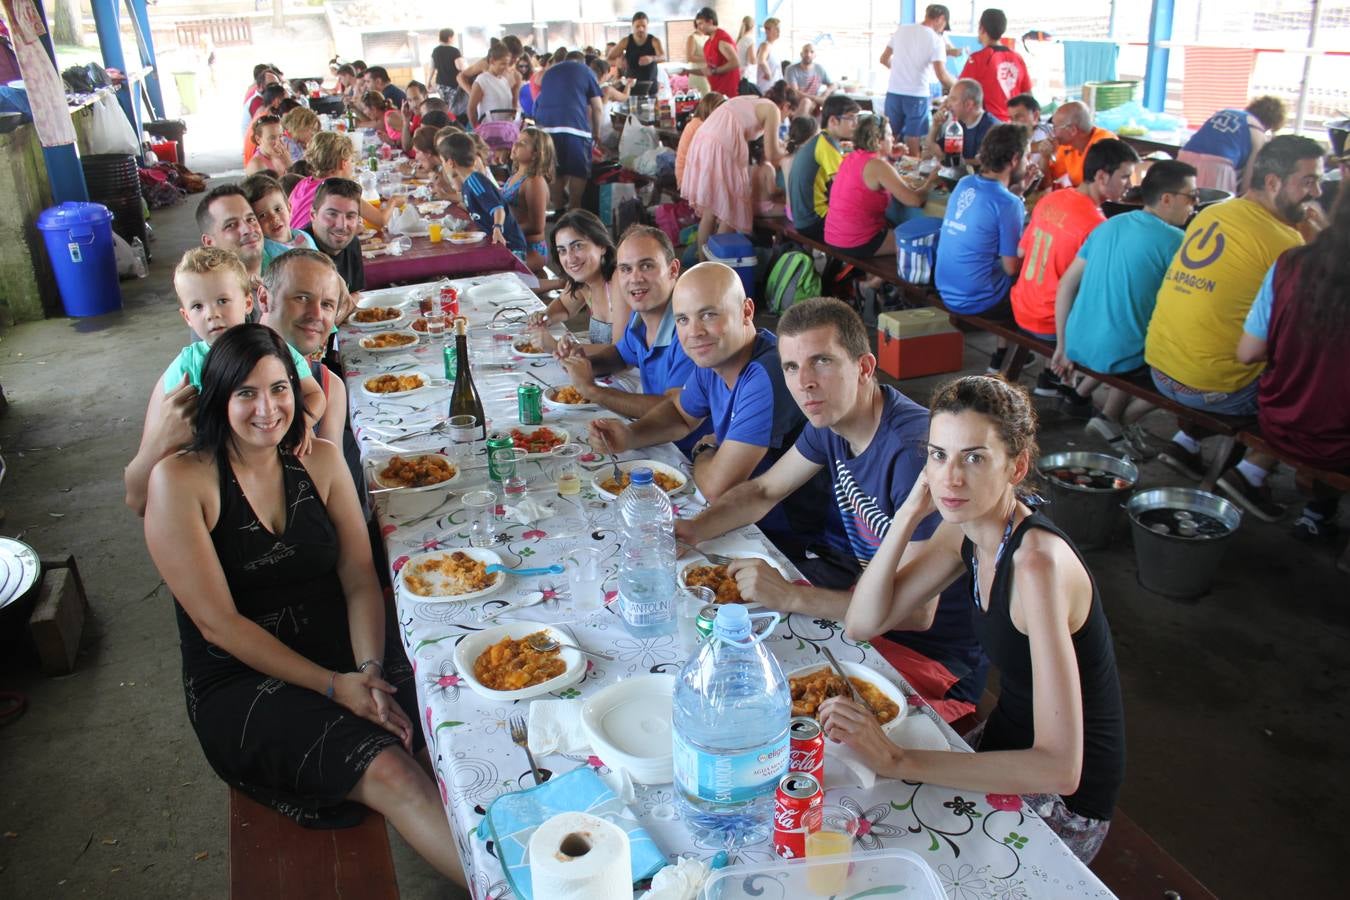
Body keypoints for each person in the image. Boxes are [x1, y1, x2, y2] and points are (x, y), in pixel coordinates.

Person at [142, 324, 464, 884]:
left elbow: (361, 580)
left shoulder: (319, 461)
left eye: (279, 388)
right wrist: (337, 687)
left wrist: (367, 672)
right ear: (218, 398)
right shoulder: (181, 481)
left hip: (342, 641)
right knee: (391, 770)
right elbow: (219, 625)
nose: (267, 409)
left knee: (454, 717)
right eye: (246, 393)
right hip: (240, 676)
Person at [832, 375, 1124, 864]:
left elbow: (1061, 767)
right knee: (855, 817)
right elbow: (863, 622)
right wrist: (908, 513)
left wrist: (897, 758)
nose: (952, 477)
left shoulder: (1036, 566)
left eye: (974, 457)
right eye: (938, 454)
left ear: (1017, 466)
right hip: (1005, 743)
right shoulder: (962, 530)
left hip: (1066, 798)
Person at [675, 298, 987, 721]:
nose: (804, 383)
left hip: (928, 658)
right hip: (862, 616)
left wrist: (789, 595)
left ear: (864, 367)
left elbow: (915, 614)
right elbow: (765, 490)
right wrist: (692, 530)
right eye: (790, 367)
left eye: (821, 362)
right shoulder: (832, 424)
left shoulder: (913, 452)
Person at [1145, 135, 1324, 520]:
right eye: (1308, 181)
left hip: (1160, 368)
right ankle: (1252, 472)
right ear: (1274, 183)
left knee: (1229, 337)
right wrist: (1317, 239)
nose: (1316, 192)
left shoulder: (1211, 212)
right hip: (1212, 389)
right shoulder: (1284, 242)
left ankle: (1186, 442)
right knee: (1311, 380)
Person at [588, 263, 828, 551]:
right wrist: (629, 435)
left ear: (746, 311)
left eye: (709, 314)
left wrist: (703, 451)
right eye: (683, 320)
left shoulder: (767, 373)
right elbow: (679, 414)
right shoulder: (713, 360)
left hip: (793, 539)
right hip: (740, 517)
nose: (694, 332)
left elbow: (716, 486)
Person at [124, 248, 325, 516]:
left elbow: (315, 395)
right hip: (214, 480)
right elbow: (163, 435)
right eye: (198, 306)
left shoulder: (274, 349)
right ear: (186, 316)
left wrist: (303, 424)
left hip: (281, 469)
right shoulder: (187, 367)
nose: (211, 314)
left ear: (248, 302)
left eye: (222, 300)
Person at [1051, 160, 1198, 460]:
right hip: (1120, 355)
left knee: (1133, 331)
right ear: (1167, 198)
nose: (1196, 206)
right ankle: (1119, 420)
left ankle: (1104, 414)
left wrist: (1062, 345)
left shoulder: (1110, 224)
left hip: (1078, 344)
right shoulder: (1177, 242)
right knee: (1188, 370)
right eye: (1192, 197)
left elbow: (1066, 284)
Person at [1237, 192, 1350, 542]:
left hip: (1280, 420)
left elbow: (1248, 352)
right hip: (1338, 443)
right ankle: (1318, 510)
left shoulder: (1289, 263)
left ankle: (1309, 504)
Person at [554, 226, 709, 454]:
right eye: (626, 269)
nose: (635, 278)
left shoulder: (690, 331)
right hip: (653, 439)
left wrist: (592, 390)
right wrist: (584, 362)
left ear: (673, 270)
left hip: (687, 453)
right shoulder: (640, 315)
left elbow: (675, 410)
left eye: (646, 266)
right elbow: (620, 355)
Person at [1010, 138, 1138, 400]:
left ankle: (1051, 378)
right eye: (1125, 177)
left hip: (1022, 307)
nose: (1130, 185)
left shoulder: (1052, 198)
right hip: (1050, 323)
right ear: (1102, 176)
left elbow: (1022, 251)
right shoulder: (1098, 225)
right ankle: (1079, 395)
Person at [934, 123, 1036, 371]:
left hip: (946, 288)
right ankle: (1024, 368)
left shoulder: (965, 183)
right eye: (1027, 154)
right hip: (976, 299)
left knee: (998, 268)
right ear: (1014, 159)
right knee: (1032, 284)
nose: (1028, 160)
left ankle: (1000, 354)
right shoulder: (1008, 204)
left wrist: (1018, 194)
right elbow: (1011, 268)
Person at [825, 113, 936, 257]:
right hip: (855, 241)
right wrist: (931, 182)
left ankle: (874, 280)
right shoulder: (877, 165)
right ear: (878, 141)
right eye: (889, 135)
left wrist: (888, 155)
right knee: (925, 241)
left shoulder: (852, 156)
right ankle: (879, 279)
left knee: (892, 225)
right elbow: (915, 200)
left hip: (833, 235)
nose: (893, 139)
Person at [683, 95, 784, 248]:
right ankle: (719, 264)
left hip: (704, 139)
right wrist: (792, 155)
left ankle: (704, 264)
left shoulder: (751, 101)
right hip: (721, 144)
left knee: (710, 213)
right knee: (730, 212)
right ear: (786, 106)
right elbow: (772, 154)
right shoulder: (773, 110)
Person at [526, 210, 625, 347]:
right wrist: (545, 317)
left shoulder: (619, 281)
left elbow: (620, 355)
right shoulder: (585, 282)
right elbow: (564, 306)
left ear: (602, 246)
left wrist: (556, 347)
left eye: (577, 246)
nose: (570, 259)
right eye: (562, 250)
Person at [881, 4, 956, 156]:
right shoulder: (936, 40)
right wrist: (959, 86)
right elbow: (941, 75)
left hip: (894, 92)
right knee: (913, 138)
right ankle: (912, 175)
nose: (942, 30)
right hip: (917, 95)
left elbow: (883, 59)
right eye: (944, 26)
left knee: (890, 135)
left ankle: (886, 168)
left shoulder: (902, 30)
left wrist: (899, 71)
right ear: (941, 19)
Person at [532, 52, 604, 210]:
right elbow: (597, 107)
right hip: (575, 126)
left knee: (556, 169)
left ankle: (558, 208)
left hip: (546, 127)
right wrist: (597, 132)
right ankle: (574, 206)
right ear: (582, 62)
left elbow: (539, 100)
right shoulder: (586, 71)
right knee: (578, 170)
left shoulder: (549, 72)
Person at [441, 132, 528, 260]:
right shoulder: (469, 182)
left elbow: (498, 208)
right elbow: (468, 199)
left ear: (450, 163)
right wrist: (445, 196)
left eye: (442, 161)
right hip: (497, 242)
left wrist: (497, 228)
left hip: (509, 245)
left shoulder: (475, 181)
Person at [786, 94, 860, 241]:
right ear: (833, 120)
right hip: (815, 221)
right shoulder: (827, 145)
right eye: (851, 118)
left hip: (804, 218)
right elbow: (844, 188)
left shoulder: (822, 140)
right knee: (869, 226)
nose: (856, 124)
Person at [1179, 96, 1287, 196]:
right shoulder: (1257, 131)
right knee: (1213, 208)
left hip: (1185, 157)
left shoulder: (1225, 112)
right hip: (1217, 167)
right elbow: (1249, 180)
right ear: (1272, 124)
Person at [288, 132, 391, 231]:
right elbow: (381, 220)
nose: (352, 165)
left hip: (291, 244)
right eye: (351, 161)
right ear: (343, 163)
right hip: (310, 247)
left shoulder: (302, 183)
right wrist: (394, 202)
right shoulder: (339, 189)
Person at [959, 9, 1032, 123]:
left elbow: (960, 90)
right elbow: (1028, 95)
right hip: (1014, 126)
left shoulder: (977, 59)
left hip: (988, 126)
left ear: (981, 28)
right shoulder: (1018, 58)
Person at [502, 127, 556, 273]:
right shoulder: (514, 176)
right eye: (517, 141)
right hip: (512, 243)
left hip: (531, 250)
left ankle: (558, 284)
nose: (515, 145)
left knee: (493, 271)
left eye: (523, 143)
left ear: (536, 154)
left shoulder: (534, 181)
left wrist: (503, 229)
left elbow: (537, 226)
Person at [304, 177, 367, 296]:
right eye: (332, 214)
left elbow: (354, 294)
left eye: (350, 216)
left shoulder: (352, 242)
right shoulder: (300, 249)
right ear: (313, 215)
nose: (342, 225)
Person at [241, 173, 318, 270]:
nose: (273, 218)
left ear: (289, 208)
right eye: (262, 215)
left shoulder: (304, 236)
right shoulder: (263, 252)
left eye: (277, 209)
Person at [197, 185, 265, 286]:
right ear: (209, 242)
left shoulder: (284, 267)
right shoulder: (210, 297)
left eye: (251, 219)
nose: (249, 229)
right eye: (231, 225)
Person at [923, 79, 998, 166]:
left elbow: (985, 163)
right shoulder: (959, 125)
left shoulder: (992, 129)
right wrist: (935, 125)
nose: (948, 105)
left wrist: (949, 161)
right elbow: (931, 150)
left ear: (968, 104)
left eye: (953, 99)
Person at [1046, 101, 1117, 189]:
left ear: (1072, 130)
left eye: (1055, 127)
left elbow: (1099, 189)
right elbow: (1048, 182)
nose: (1052, 132)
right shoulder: (1067, 144)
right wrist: (1044, 156)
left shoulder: (1103, 144)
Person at [469, 44, 519, 163]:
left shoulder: (504, 80)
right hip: (489, 135)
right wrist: (477, 130)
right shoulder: (482, 80)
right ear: (492, 61)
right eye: (502, 63)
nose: (506, 67)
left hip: (506, 135)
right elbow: (471, 108)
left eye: (507, 63)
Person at [675, 91, 727, 191]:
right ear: (711, 108)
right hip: (686, 178)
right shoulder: (698, 126)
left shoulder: (704, 123)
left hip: (692, 174)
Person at [780, 115, 820, 221]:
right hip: (802, 214)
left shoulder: (786, 158)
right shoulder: (807, 158)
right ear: (811, 136)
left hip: (789, 211)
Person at [695, 7, 740, 99]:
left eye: (701, 23)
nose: (699, 27)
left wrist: (715, 71)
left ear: (710, 22)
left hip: (728, 93)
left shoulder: (721, 39)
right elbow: (709, 69)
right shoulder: (708, 43)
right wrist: (687, 71)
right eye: (697, 24)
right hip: (717, 91)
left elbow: (735, 62)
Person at [609, 12, 665, 86]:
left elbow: (663, 57)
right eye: (637, 26)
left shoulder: (654, 41)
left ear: (647, 26)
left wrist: (651, 58)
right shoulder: (626, 41)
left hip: (650, 85)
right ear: (633, 26)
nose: (641, 29)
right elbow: (609, 59)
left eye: (643, 26)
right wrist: (617, 62)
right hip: (631, 85)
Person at [784, 44, 836, 111]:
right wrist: (816, 99)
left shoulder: (819, 68)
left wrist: (825, 93)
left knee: (835, 101)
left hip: (815, 104)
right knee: (806, 101)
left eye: (812, 52)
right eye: (806, 51)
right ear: (801, 54)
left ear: (815, 55)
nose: (808, 54)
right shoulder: (791, 69)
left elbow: (834, 84)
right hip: (796, 105)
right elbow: (795, 93)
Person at [749, 137, 785, 218]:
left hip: (752, 205)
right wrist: (782, 190)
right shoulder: (769, 167)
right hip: (765, 207)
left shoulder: (754, 166)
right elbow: (772, 190)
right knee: (789, 210)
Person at [428, 28, 464, 106]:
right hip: (453, 84)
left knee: (444, 104)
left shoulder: (435, 51)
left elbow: (432, 68)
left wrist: (428, 81)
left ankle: (446, 117)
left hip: (440, 84)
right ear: (449, 38)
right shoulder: (454, 51)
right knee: (455, 105)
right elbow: (460, 67)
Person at [756, 17, 784, 94]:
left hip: (775, 87)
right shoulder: (765, 45)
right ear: (767, 31)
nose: (778, 31)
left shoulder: (775, 47)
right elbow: (761, 60)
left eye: (779, 29)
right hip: (766, 88)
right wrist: (768, 74)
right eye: (776, 29)